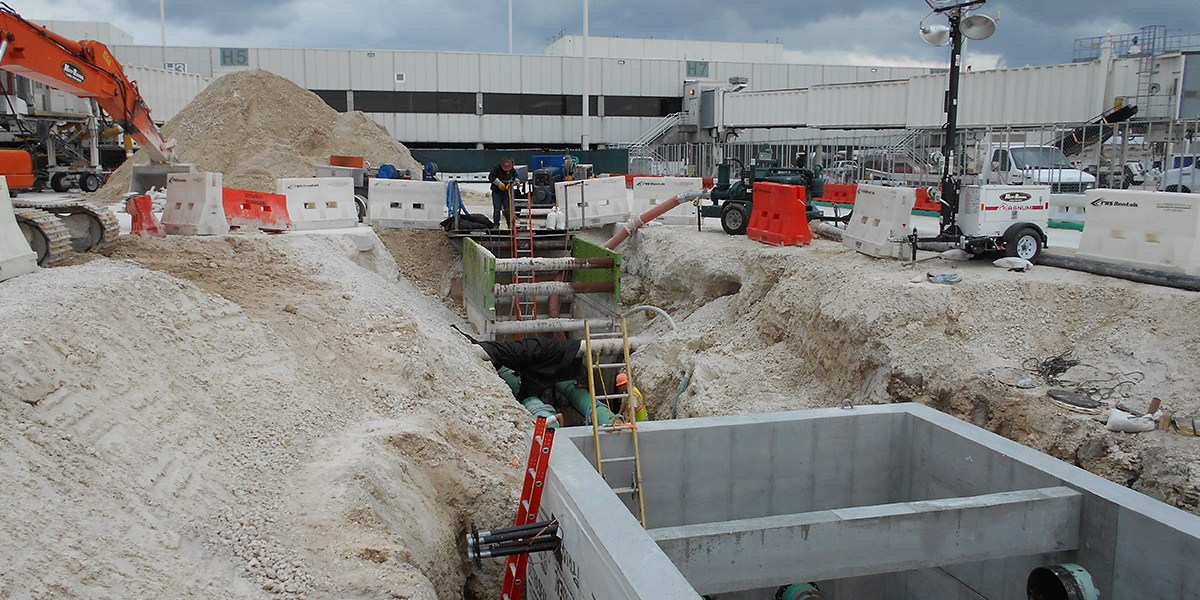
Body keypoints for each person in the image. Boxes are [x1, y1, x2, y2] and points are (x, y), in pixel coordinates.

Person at [489, 157, 516, 229]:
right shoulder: (496, 169)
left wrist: (517, 181)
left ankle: (510, 224)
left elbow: (516, 175)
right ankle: (496, 225)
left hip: (506, 192)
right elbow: (491, 177)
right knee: (497, 209)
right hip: (497, 192)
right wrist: (499, 184)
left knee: (507, 209)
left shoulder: (511, 169)